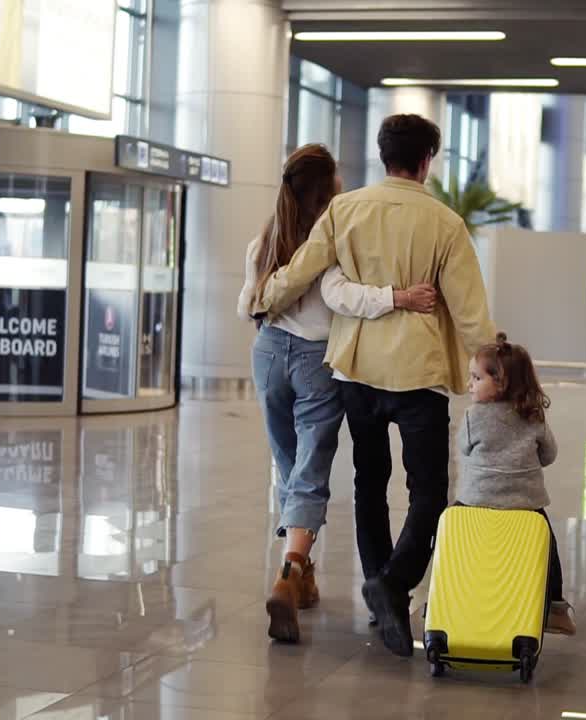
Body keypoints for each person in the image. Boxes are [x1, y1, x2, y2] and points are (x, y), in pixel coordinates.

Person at [253, 114, 497, 657]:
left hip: (357, 372)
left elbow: (302, 269)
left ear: (384, 156)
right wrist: (501, 369)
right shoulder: (446, 224)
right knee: (428, 491)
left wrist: (263, 297)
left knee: (370, 483)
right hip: (419, 375)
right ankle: (391, 584)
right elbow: (472, 314)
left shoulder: (345, 209)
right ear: (427, 160)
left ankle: (380, 594)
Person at [237, 143, 440, 643]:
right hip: (314, 359)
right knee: (309, 470)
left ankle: (302, 577)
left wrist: (267, 300)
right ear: (329, 188)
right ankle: (290, 571)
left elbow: (249, 304)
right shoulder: (333, 232)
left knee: (287, 464)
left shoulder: (266, 237)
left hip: (267, 353)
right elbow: (338, 294)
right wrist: (400, 297)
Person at [455, 333, 577, 636]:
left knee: (451, 535)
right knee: (548, 547)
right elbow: (549, 455)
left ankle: (445, 595)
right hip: (526, 504)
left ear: (501, 382)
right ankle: (554, 609)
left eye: (476, 377)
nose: (470, 384)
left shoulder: (473, 416)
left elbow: (464, 449)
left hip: (475, 502)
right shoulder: (533, 416)